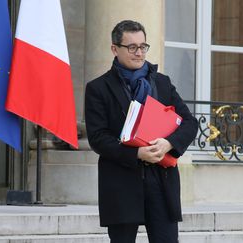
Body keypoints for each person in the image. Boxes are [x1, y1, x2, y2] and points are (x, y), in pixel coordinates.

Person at [85, 20, 198, 243]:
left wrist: (168, 143)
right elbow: (98, 138)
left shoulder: (162, 83)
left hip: (161, 180)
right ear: (114, 49)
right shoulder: (98, 88)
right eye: (132, 47)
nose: (139, 53)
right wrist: (136, 154)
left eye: (143, 46)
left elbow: (189, 123)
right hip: (121, 181)